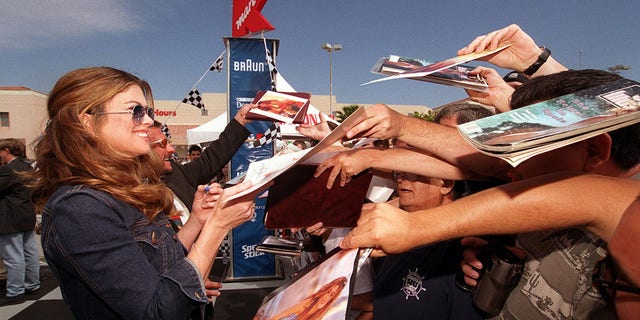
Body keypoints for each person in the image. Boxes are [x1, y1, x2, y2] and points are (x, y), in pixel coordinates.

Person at [342, 69, 640, 319]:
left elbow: (590, 197)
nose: (505, 169)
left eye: (524, 147)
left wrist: (418, 227)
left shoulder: (627, 218)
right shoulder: (536, 205)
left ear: (593, 150)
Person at [30, 66, 267, 319]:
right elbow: (155, 312)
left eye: (148, 111)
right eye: (136, 111)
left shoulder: (126, 188)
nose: (148, 121)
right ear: (85, 121)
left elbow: (163, 262)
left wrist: (198, 219)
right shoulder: (80, 207)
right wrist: (217, 226)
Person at [0, 138, 40, 306]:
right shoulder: (26, 166)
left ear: (7, 150)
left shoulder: (9, 170)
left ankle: (15, 291)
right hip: (25, 215)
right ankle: (32, 283)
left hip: (10, 218)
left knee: (13, 256)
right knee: (30, 252)